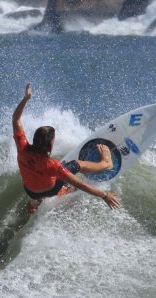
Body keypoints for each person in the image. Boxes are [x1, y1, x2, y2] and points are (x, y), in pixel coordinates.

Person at [12, 81, 121, 214]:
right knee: (76, 165)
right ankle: (105, 163)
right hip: (50, 189)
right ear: (49, 144)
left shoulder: (22, 148)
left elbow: (15, 119)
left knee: (46, 179)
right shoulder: (53, 165)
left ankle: (36, 202)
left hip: (30, 191)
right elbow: (78, 183)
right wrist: (104, 195)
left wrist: (25, 99)